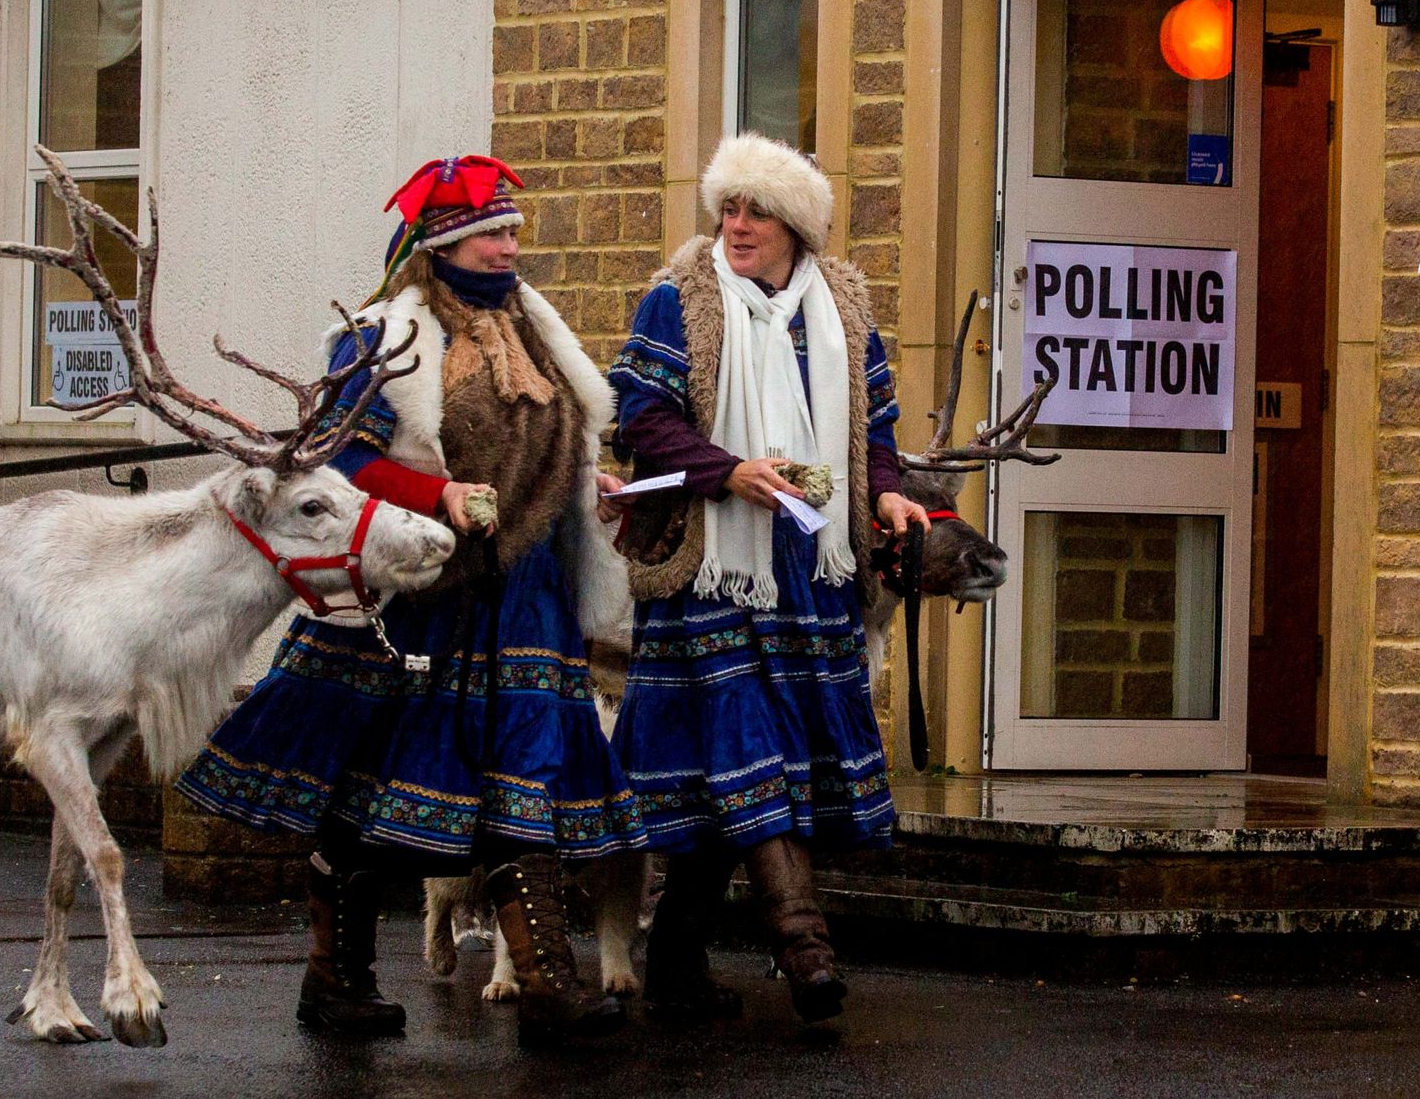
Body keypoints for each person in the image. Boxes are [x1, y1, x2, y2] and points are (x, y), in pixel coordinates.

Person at [175, 155, 646, 1045]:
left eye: (512, 230)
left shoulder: (535, 332)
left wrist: (593, 487)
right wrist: (436, 496)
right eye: (495, 231)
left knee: (529, 772)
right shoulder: (380, 339)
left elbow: (559, 442)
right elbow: (339, 456)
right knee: (368, 782)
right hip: (417, 590)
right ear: (446, 244)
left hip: (525, 597)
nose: (513, 244)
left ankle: (547, 985)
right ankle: (334, 978)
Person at [606, 133, 928, 1024]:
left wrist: (892, 499)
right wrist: (727, 470)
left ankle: (676, 961)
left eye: (758, 212)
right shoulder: (681, 299)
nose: (738, 225)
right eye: (730, 209)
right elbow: (642, 420)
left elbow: (876, 435)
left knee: (749, 770)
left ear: (796, 227)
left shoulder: (845, 310)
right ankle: (805, 947)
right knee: (749, 753)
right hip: (715, 569)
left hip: (810, 571)